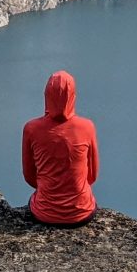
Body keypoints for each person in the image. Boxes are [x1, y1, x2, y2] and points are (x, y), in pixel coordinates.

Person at [21, 69, 99, 225]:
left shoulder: (31, 129)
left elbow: (29, 176)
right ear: (73, 97)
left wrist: (51, 190)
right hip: (81, 213)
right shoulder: (87, 127)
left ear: (47, 96)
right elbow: (92, 175)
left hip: (44, 213)